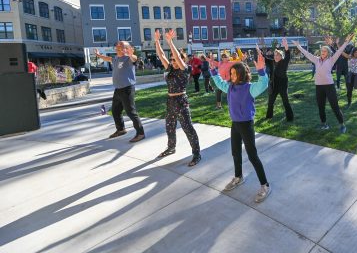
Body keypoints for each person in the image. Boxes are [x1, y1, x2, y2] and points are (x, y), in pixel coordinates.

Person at [209, 47, 271, 203]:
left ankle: (265, 185)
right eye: (231, 74)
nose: (232, 76)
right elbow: (219, 83)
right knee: (235, 152)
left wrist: (262, 71)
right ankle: (238, 177)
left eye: (235, 74)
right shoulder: (230, 87)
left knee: (252, 155)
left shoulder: (250, 88)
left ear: (242, 74)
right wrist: (213, 71)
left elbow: (263, 84)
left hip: (246, 125)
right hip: (235, 124)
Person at [154, 30, 201, 166]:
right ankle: (171, 147)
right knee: (169, 127)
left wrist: (170, 42)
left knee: (188, 128)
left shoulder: (185, 69)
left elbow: (179, 59)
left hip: (181, 101)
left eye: (175, 59)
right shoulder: (170, 68)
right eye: (172, 59)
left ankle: (196, 153)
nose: (173, 61)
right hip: (170, 101)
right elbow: (161, 55)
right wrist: (157, 41)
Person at [293, 34, 353, 133]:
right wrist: (298, 46)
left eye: (324, 51)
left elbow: (339, 51)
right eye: (321, 51)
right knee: (321, 106)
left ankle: (342, 125)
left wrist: (346, 42)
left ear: (328, 53)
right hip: (319, 87)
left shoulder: (331, 60)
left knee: (335, 106)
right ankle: (324, 124)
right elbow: (306, 53)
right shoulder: (316, 60)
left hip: (329, 86)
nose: (322, 52)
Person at [94, 42, 145, 142]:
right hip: (118, 89)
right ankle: (121, 129)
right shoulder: (116, 58)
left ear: (126, 48)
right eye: (117, 46)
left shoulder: (128, 58)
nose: (117, 47)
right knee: (115, 111)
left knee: (131, 112)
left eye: (120, 46)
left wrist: (130, 53)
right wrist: (99, 55)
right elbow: (108, 59)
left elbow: (135, 59)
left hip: (127, 89)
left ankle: (141, 133)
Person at [265, 37, 294, 122]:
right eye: (275, 55)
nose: (276, 56)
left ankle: (290, 118)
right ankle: (269, 116)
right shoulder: (272, 62)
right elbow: (265, 58)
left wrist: (286, 47)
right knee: (270, 102)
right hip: (274, 84)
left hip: (282, 84)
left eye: (278, 55)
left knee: (285, 101)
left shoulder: (284, 62)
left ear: (281, 56)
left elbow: (288, 55)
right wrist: (259, 52)